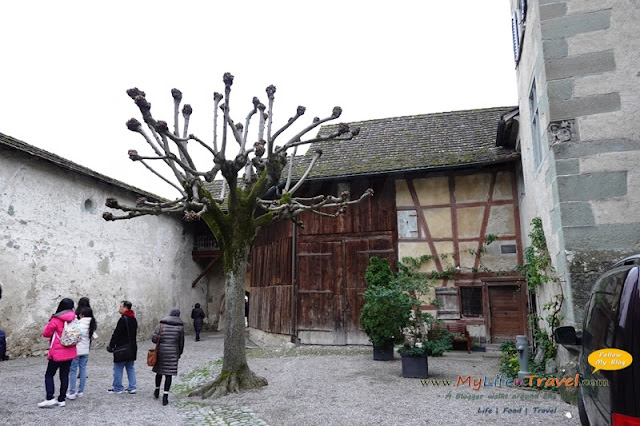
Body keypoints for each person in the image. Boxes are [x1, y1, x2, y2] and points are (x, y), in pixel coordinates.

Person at [38, 298, 77, 408]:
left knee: (49, 374)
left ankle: (50, 397)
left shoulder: (56, 319)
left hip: (57, 351)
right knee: (64, 375)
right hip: (70, 350)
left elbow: (46, 333)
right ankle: (62, 399)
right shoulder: (74, 318)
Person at [151, 308, 184, 406]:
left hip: (161, 351)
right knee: (168, 375)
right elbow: (181, 343)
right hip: (173, 352)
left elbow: (154, 339)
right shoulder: (180, 327)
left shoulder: (161, 325)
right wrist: (179, 353)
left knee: (159, 372)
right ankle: (165, 396)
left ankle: (157, 391)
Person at [107, 300, 137, 394]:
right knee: (130, 367)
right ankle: (132, 387)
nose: (119, 308)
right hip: (132, 346)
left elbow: (117, 333)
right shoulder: (133, 319)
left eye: (121, 307)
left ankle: (118, 387)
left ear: (125, 308)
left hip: (122, 347)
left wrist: (111, 345)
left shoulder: (123, 319)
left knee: (118, 368)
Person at [67, 307, 97, 399]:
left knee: (73, 370)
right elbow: (94, 336)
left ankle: (72, 392)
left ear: (82, 315)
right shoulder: (91, 324)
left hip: (76, 350)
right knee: (83, 370)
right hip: (85, 350)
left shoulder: (78, 324)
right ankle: (80, 391)